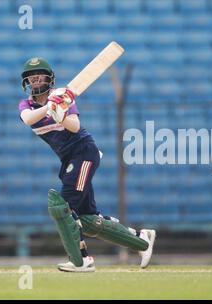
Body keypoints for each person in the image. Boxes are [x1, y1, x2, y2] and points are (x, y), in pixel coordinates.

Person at [18, 57, 156, 272]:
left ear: (49, 78)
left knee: (63, 207)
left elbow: (75, 127)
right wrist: (49, 108)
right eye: (31, 78)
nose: (35, 81)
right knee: (88, 220)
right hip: (68, 160)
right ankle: (141, 239)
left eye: (39, 76)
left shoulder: (63, 98)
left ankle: (81, 260)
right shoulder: (26, 105)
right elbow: (28, 119)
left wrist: (60, 114)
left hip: (83, 152)